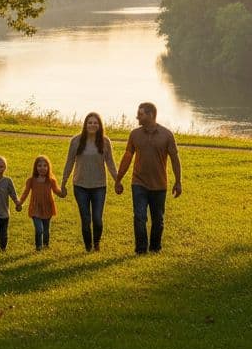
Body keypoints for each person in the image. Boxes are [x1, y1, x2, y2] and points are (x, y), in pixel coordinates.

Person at [114, 102, 182, 254]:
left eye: (141, 114)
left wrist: (178, 182)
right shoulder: (134, 134)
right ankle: (141, 250)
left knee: (158, 220)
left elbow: (175, 159)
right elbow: (127, 157)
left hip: (159, 185)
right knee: (139, 216)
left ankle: (155, 248)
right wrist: (118, 179)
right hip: (139, 183)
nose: (137, 116)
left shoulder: (167, 135)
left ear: (151, 115)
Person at [61, 112, 118, 251]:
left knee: (97, 219)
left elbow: (110, 163)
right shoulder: (76, 141)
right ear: (85, 125)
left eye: (95, 123)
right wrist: (63, 183)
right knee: (85, 219)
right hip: (80, 186)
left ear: (99, 125)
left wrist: (118, 180)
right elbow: (69, 162)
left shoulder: (105, 142)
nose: (92, 125)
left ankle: (96, 243)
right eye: (90, 122)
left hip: (99, 186)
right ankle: (88, 247)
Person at [19, 155, 65, 250]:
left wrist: (63, 192)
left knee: (46, 229)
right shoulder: (31, 180)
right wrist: (19, 203)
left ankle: (46, 245)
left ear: (48, 167)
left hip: (47, 206)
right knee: (39, 229)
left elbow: (57, 192)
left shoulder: (51, 180)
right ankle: (38, 247)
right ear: (36, 167)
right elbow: (25, 193)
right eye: (39, 165)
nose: (42, 168)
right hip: (35, 207)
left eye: (45, 165)